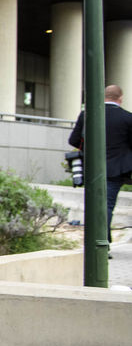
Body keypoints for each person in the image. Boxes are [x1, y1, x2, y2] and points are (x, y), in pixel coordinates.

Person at [68, 84, 132, 234]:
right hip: (116, 170)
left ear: (104, 96)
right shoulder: (128, 118)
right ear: (120, 99)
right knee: (107, 205)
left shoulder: (86, 114)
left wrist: (90, 149)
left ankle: (97, 241)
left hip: (91, 168)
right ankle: (102, 243)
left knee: (94, 205)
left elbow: (73, 140)